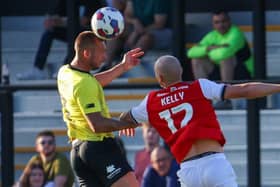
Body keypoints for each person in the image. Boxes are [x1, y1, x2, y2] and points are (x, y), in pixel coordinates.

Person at [119, 55, 280, 187]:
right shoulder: (200, 87)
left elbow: (126, 116)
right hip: (214, 163)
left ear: (160, 79)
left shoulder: (150, 101)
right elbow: (244, 90)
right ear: (181, 71)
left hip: (188, 171)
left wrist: (126, 122)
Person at [57, 31, 144, 186]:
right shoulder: (84, 84)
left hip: (77, 153)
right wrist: (128, 124)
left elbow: (91, 83)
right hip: (98, 148)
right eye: (102, 53)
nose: (105, 57)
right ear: (86, 53)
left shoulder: (65, 72)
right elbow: (96, 125)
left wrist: (123, 67)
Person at [17, 0, 106, 80]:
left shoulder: (93, 1)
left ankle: (66, 68)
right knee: (49, 32)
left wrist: (60, 21)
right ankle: (38, 69)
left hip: (90, 33)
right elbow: (56, 15)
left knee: (80, 38)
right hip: (72, 29)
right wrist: (51, 20)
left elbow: (84, 21)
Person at [187, 11, 254, 109]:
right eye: (217, 22)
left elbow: (223, 54)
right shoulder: (212, 35)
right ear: (213, 24)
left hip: (242, 74)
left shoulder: (236, 33)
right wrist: (210, 48)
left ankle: (225, 99)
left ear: (229, 21)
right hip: (220, 73)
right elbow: (191, 52)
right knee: (197, 60)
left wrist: (208, 50)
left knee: (225, 59)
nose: (221, 25)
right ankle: (204, 99)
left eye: (223, 21)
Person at [100, 0, 172, 72]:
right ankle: (107, 65)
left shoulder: (160, 1)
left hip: (162, 32)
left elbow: (159, 24)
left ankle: (122, 67)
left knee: (146, 39)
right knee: (117, 31)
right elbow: (127, 15)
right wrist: (135, 22)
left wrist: (136, 33)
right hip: (139, 29)